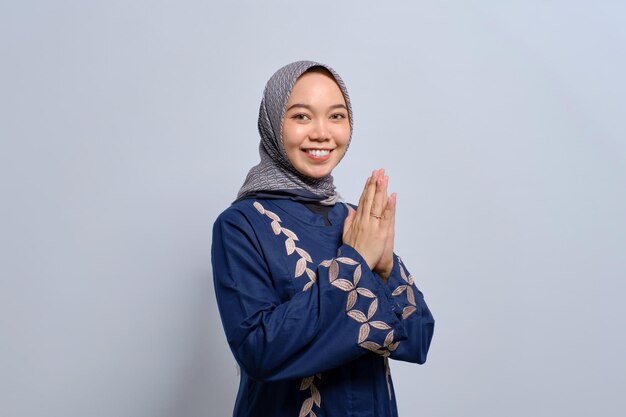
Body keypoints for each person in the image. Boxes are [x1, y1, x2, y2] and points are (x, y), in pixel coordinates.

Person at [212, 60, 435, 417]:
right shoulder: (241, 225)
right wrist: (355, 263)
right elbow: (259, 352)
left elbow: (417, 338)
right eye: (301, 116)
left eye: (336, 116)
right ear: (272, 122)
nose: (321, 133)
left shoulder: (352, 218)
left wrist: (384, 267)